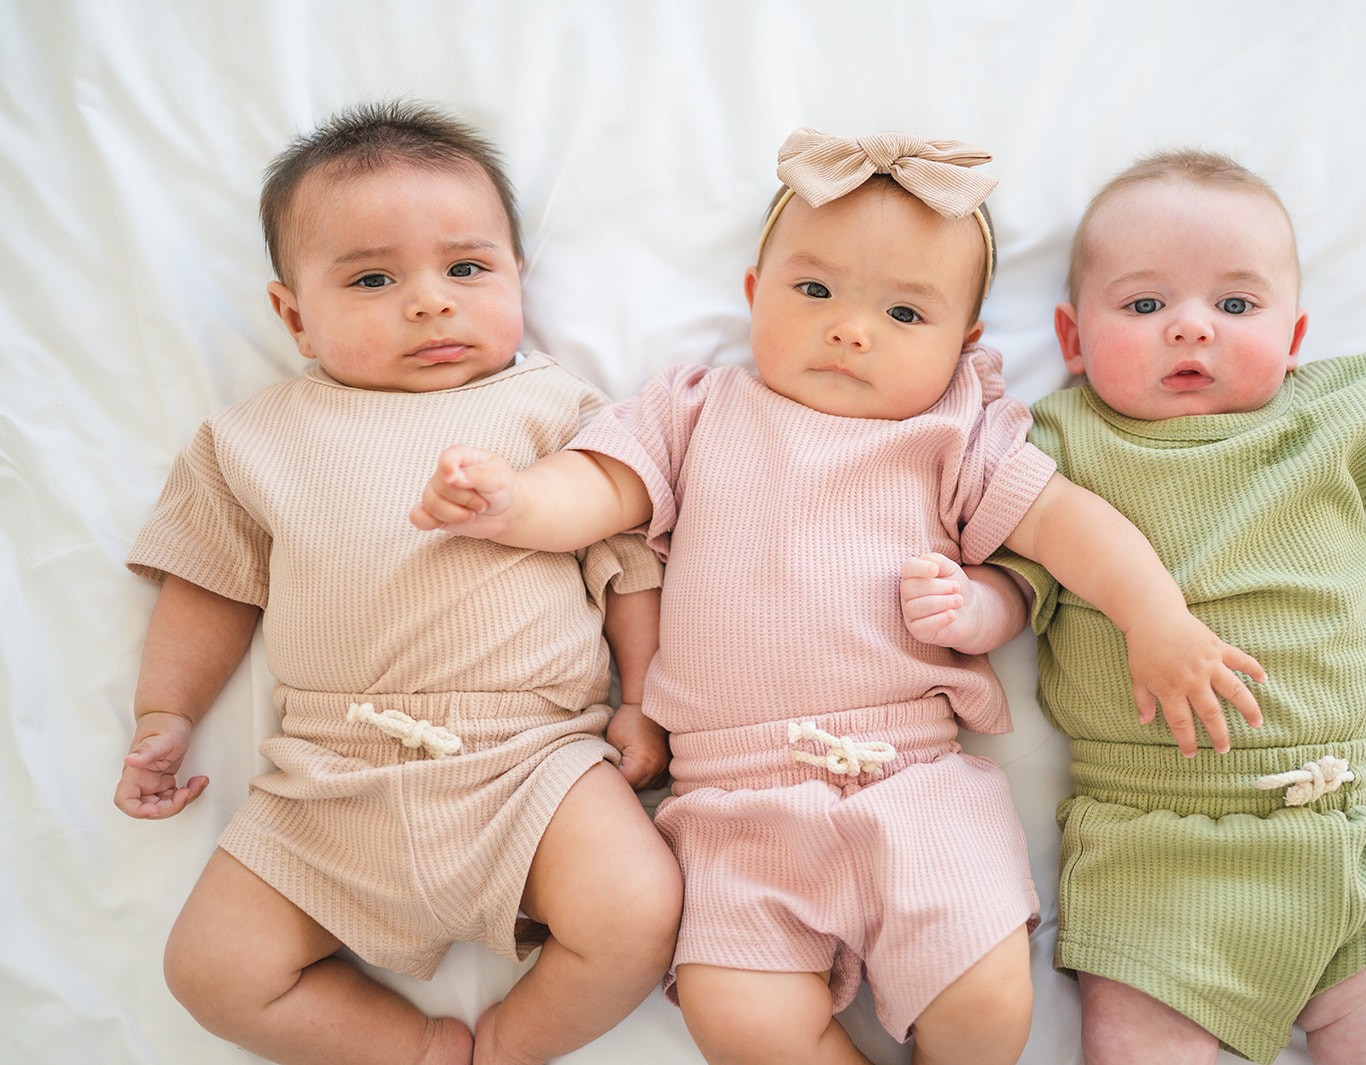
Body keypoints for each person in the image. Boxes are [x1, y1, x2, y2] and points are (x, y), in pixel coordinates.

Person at [411, 128, 1264, 1065]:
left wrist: (1155, 615)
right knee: (740, 1021)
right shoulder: (695, 409)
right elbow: (599, 486)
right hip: (733, 803)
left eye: (904, 313)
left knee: (986, 1002)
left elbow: (1066, 522)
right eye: (814, 291)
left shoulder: (955, 433)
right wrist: (517, 501)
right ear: (754, 294)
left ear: (963, 346)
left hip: (914, 780)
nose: (852, 329)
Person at [988, 149, 1366, 1064]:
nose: (1191, 327)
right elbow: (1012, 564)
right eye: (1145, 304)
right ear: (1072, 340)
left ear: (1293, 335)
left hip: (1335, 820)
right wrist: (975, 608)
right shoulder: (1056, 441)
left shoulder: (1327, 415)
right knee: (1139, 1046)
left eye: (1237, 305)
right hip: (1151, 843)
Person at [112, 100, 682, 1065]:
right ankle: (414, 1050)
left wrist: (643, 698)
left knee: (639, 908)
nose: (429, 302)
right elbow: (209, 582)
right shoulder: (251, 439)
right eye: (373, 278)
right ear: (294, 316)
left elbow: (630, 558)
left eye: (467, 269)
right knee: (211, 970)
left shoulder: (558, 409)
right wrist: (164, 711)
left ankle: (511, 1046)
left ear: (517, 276)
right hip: (330, 776)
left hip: (532, 761)